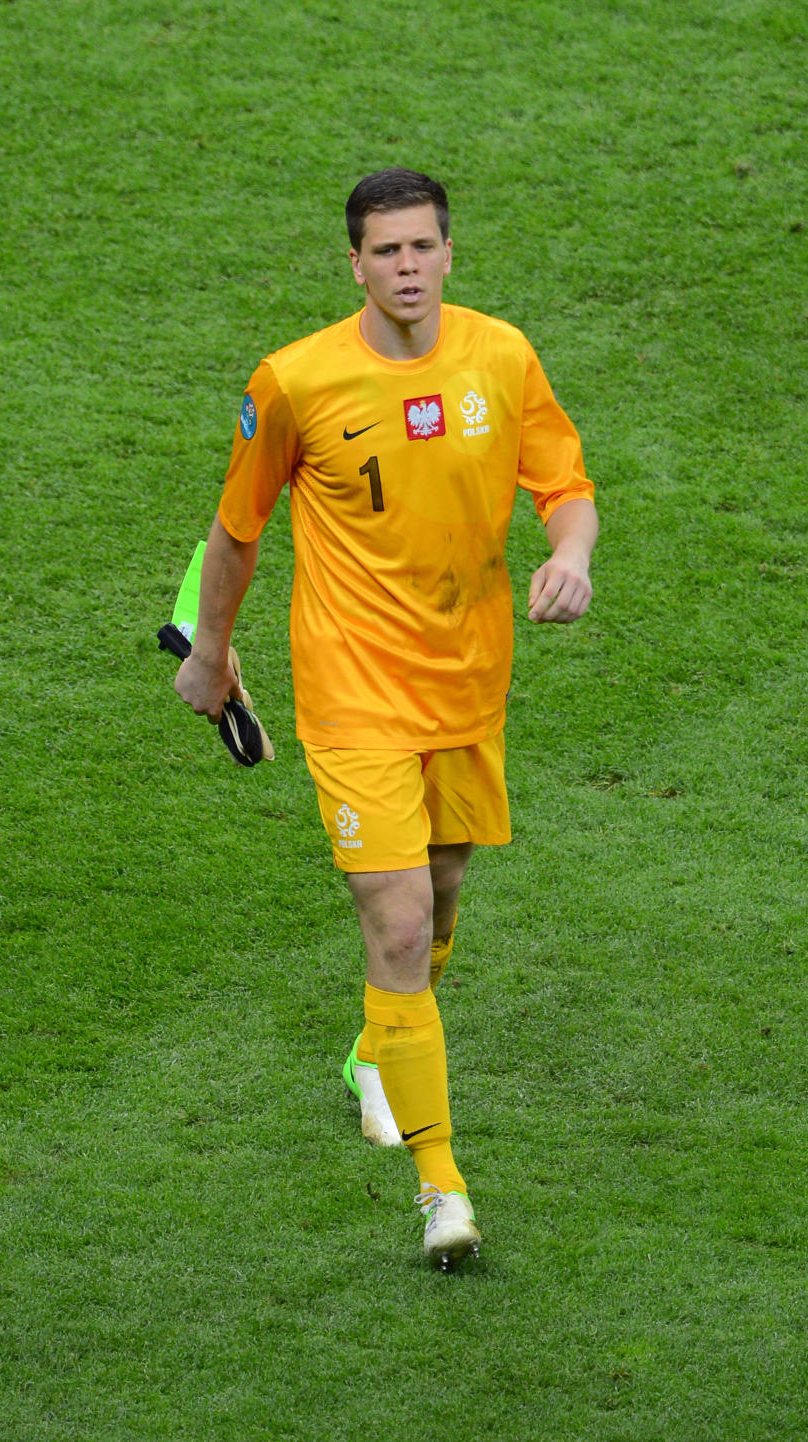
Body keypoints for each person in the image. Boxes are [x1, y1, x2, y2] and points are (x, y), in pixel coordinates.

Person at [174, 168, 598, 1268]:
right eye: (385, 250)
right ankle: (441, 1187)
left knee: (445, 887)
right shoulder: (297, 381)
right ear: (353, 262)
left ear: (448, 254)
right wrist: (213, 654)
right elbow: (236, 530)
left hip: (467, 682)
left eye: (423, 247)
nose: (406, 267)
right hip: (353, 690)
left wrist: (572, 553)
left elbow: (564, 481)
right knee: (401, 923)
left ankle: (378, 1047)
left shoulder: (500, 356)